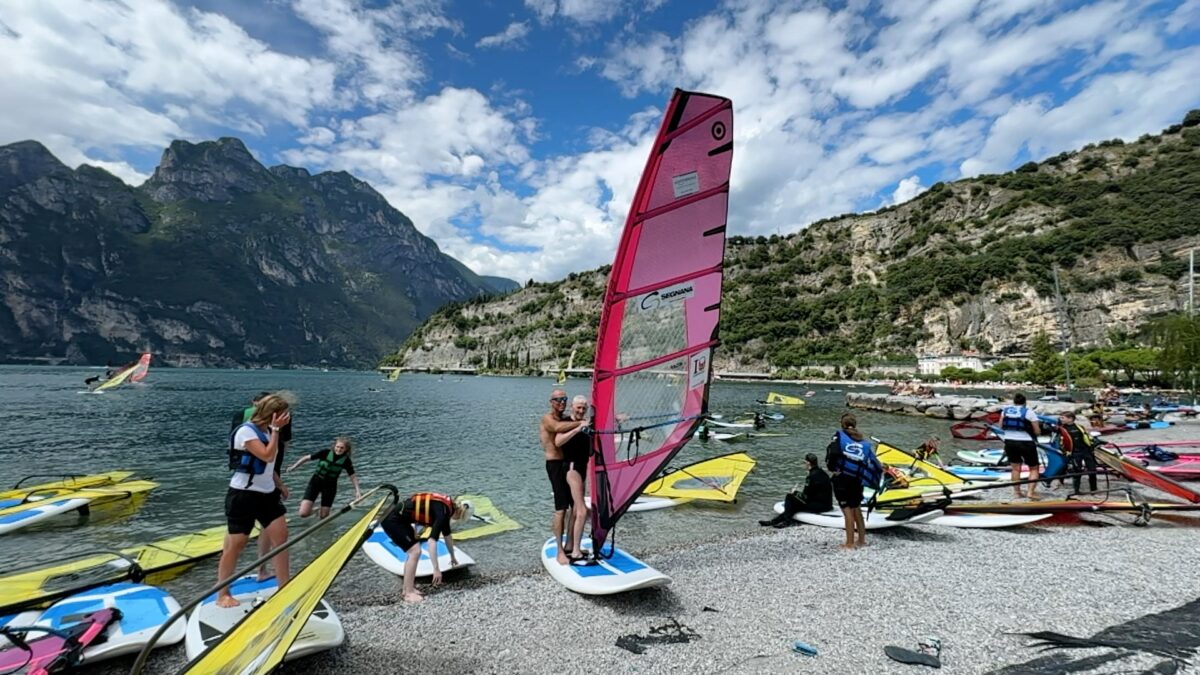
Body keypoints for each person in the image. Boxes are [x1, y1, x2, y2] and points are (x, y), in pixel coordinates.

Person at [216, 393, 291, 608]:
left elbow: (269, 466)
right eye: (284, 414)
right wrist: (276, 431)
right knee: (236, 545)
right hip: (243, 495)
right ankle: (223, 593)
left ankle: (285, 586)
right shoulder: (246, 432)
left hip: (267, 494)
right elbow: (266, 455)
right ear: (273, 414)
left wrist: (280, 485)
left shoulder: (269, 431)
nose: (287, 418)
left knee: (281, 538)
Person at [231, 392, 292, 580]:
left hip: (255, 477)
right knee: (241, 541)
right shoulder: (271, 424)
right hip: (255, 482)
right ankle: (260, 571)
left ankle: (274, 578)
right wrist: (275, 430)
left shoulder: (243, 417)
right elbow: (276, 451)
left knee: (276, 536)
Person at [379, 492, 471, 603]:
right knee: (415, 551)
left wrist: (452, 557)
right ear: (460, 515)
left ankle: (407, 589)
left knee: (414, 551)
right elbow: (431, 542)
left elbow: (447, 537)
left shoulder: (446, 508)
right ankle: (408, 593)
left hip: (398, 518)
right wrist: (436, 570)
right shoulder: (443, 513)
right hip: (392, 520)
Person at [540, 389, 587, 565]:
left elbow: (573, 421)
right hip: (554, 466)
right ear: (551, 401)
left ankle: (570, 545)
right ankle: (560, 551)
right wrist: (582, 423)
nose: (561, 402)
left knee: (575, 507)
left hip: (567, 465)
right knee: (561, 509)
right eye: (558, 399)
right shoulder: (548, 419)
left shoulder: (566, 418)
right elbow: (558, 430)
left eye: (564, 399)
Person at [825, 413, 883, 549]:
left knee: (847, 510)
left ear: (842, 424)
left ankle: (849, 543)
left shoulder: (839, 436)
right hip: (857, 479)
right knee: (856, 508)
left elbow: (832, 454)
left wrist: (832, 469)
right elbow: (875, 463)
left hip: (842, 478)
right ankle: (862, 540)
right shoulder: (865, 443)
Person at [287, 437, 362, 519]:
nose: (339, 449)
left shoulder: (346, 461)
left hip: (330, 486)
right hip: (316, 482)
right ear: (334, 446)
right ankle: (316, 510)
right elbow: (306, 458)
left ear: (346, 449)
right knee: (303, 514)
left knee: (324, 516)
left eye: (342, 448)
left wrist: (357, 491)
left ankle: (324, 520)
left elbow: (352, 476)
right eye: (337, 447)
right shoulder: (325, 453)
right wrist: (294, 467)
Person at [555, 395, 591, 562]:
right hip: (571, 468)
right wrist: (577, 428)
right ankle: (576, 551)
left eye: (584, 408)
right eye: (578, 407)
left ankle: (569, 545)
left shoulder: (586, 425)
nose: (581, 411)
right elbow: (558, 441)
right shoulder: (566, 422)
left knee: (576, 510)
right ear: (572, 407)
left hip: (582, 468)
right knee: (583, 510)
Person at [759, 453, 832, 528]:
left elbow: (805, 496)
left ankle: (787, 521)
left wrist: (794, 492)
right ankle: (773, 522)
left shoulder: (811, 477)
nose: (804, 464)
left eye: (804, 462)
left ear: (808, 463)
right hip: (827, 504)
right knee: (794, 506)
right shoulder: (822, 473)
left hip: (819, 506)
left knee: (789, 497)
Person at [1000, 393, 1042, 499]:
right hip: (1026, 442)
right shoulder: (1029, 412)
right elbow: (1037, 431)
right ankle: (1030, 492)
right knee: (1033, 468)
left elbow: (1000, 426)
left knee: (1015, 468)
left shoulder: (1005, 411)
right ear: (1025, 402)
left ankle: (1017, 493)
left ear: (1014, 401)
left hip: (1009, 442)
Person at [1060, 411, 1099, 494]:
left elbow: (1087, 438)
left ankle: (1094, 489)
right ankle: (1077, 491)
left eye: (1063, 417)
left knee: (1092, 470)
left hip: (1086, 451)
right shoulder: (1061, 429)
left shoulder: (1080, 427)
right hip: (1074, 453)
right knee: (1077, 471)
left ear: (1070, 419)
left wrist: (1093, 445)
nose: (1061, 419)